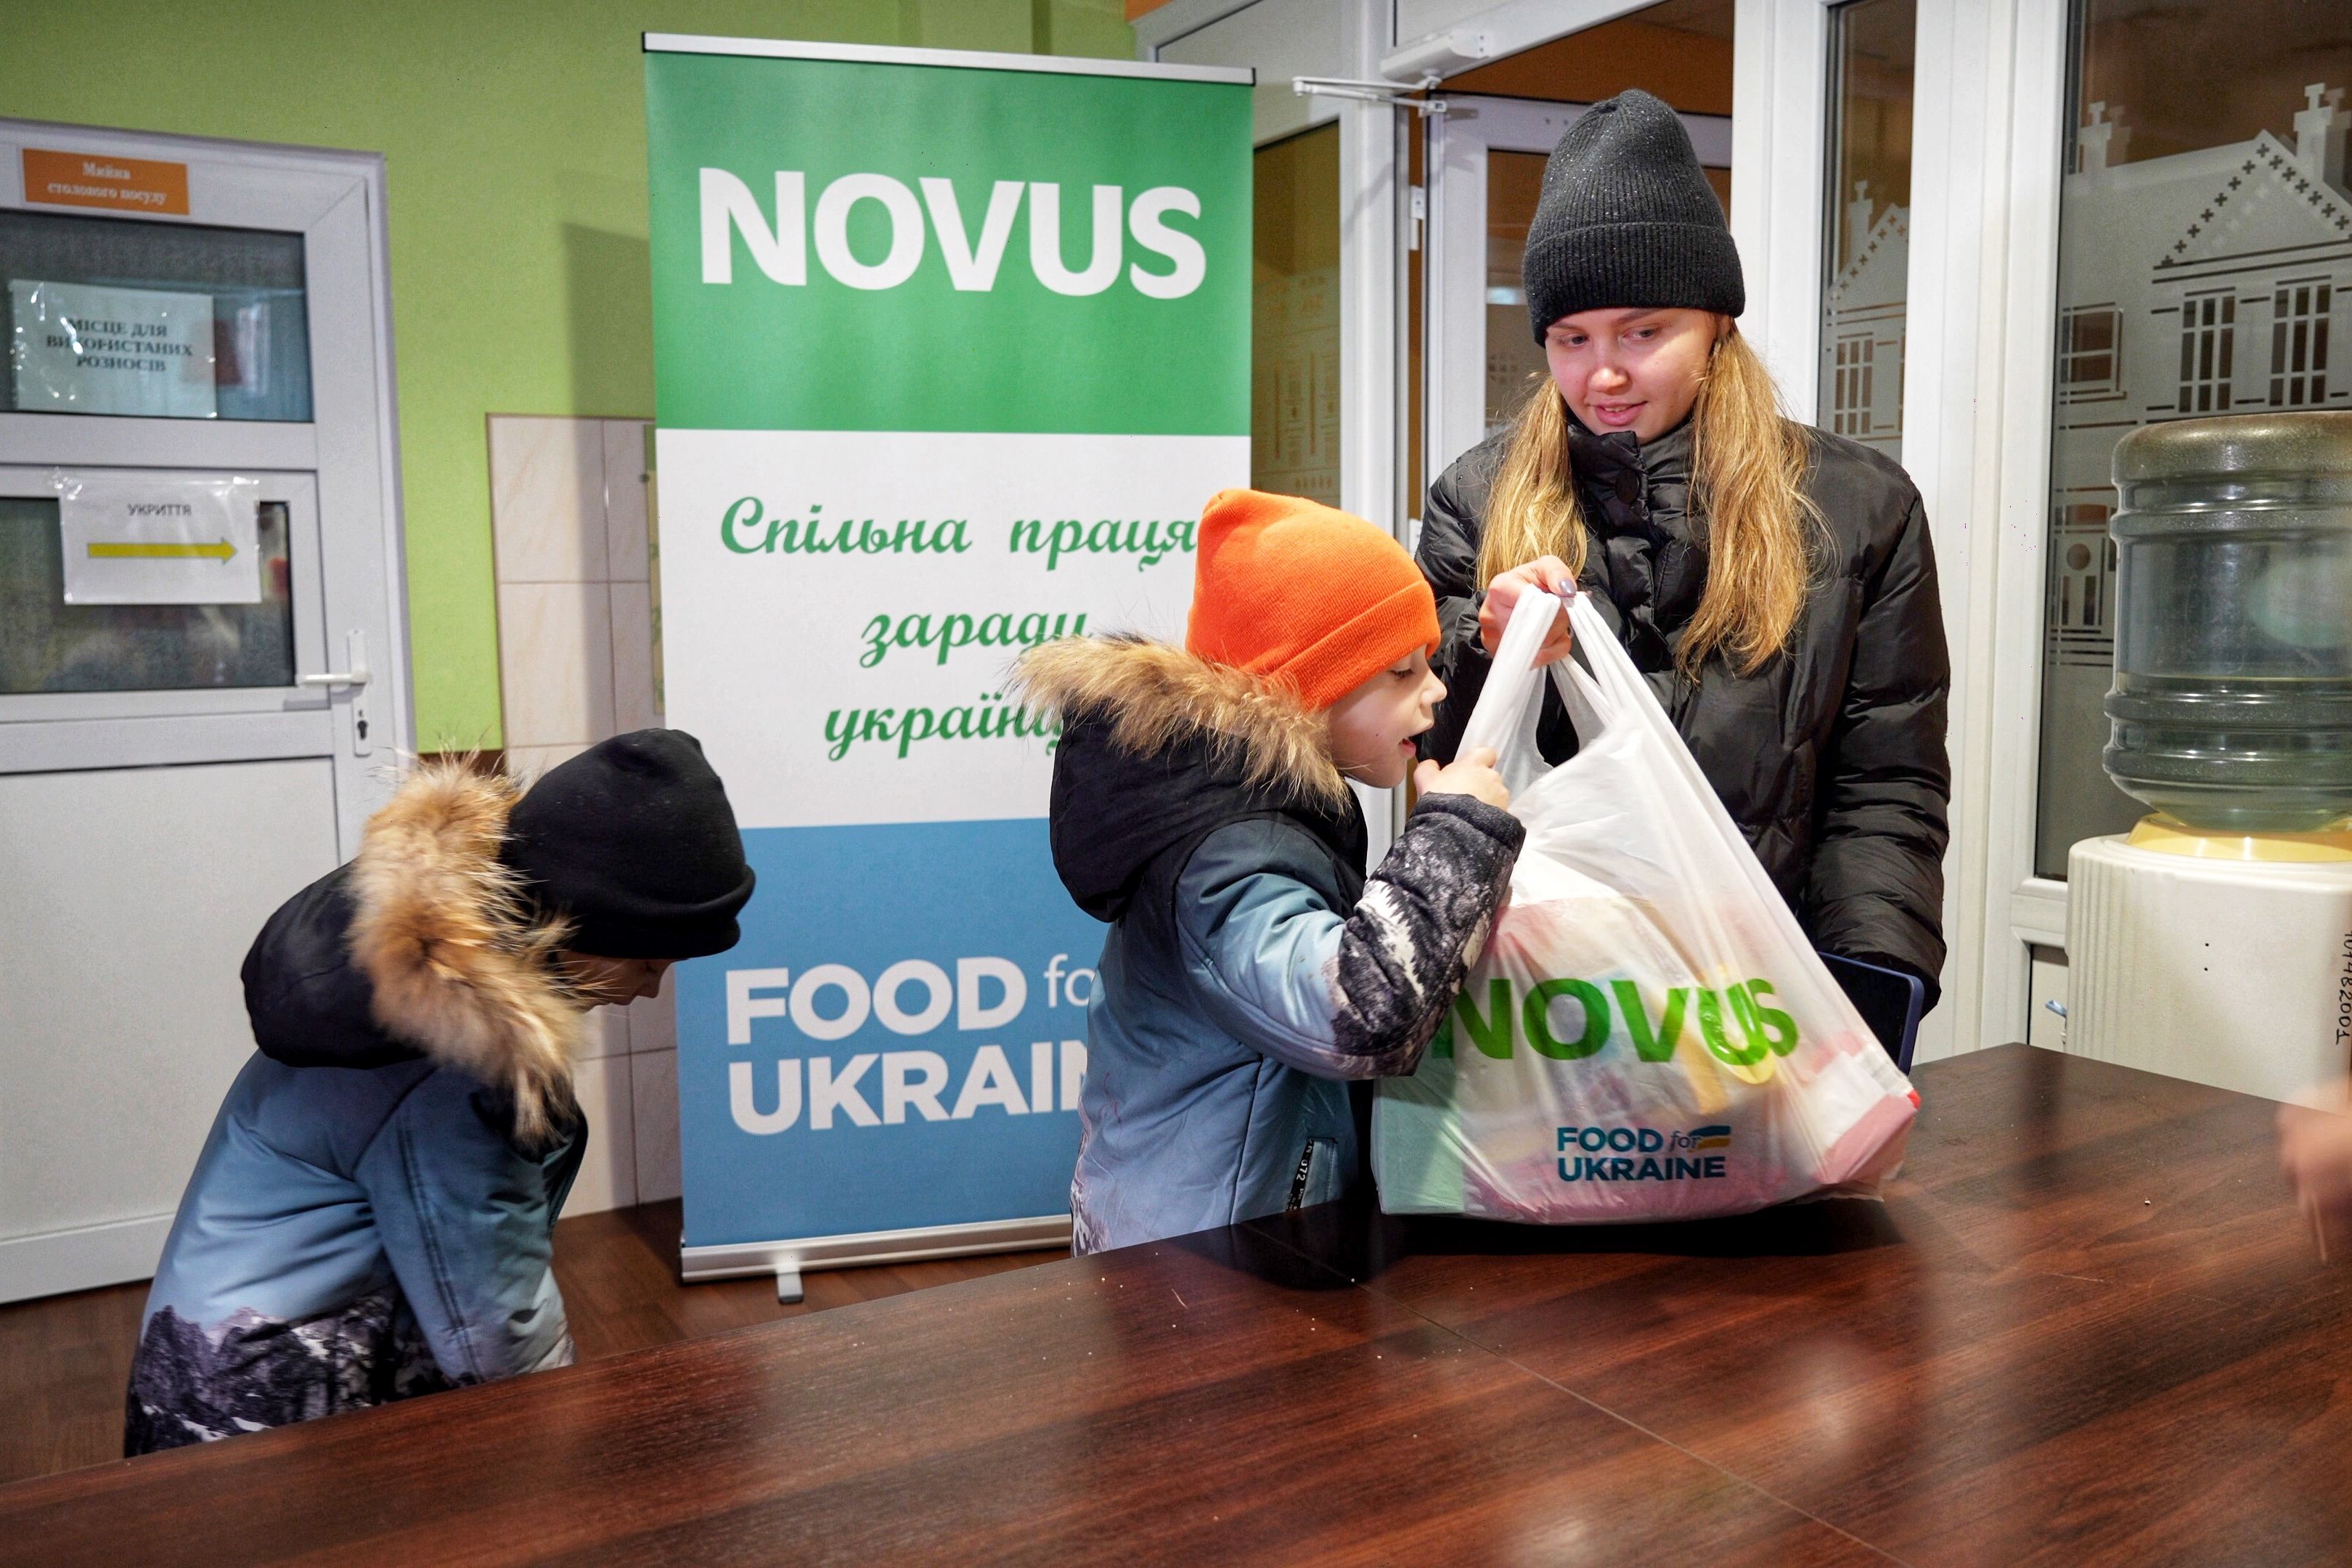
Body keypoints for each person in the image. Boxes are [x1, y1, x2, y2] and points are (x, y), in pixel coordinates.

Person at [1416, 88, 1951, 1005]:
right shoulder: (1477, 496)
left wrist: (1872, 985)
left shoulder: (1858, 509)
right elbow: (1429, 756)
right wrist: (1481, 646)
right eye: (1572, 338)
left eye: (1645, 331)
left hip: (1767, 991)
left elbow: (1885, 786)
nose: (1606, 372)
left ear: (1718, 324)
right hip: (1541, 1002)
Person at [124, 730, 754, 1454]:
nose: (651, 990)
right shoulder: (456, 1063)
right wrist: (576, 1461)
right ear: (569, 925)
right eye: (647, 960)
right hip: (257, 1425)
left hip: (234, 1365)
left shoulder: (415, 972)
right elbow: (494, 1329)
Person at [1015, 489, 1524, 1254]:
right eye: (1402, 671)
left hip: (1239, 1234)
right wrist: (1455, 836)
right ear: (1306, 688)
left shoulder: (1249, 806)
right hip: (1200, 1266)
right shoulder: (1229, 850)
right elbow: (1358, 1016)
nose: (1436, 688)